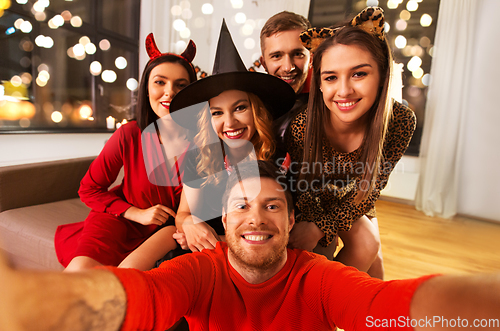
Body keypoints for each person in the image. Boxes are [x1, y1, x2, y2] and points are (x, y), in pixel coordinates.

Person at [1, 160, 499, 331]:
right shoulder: (200, 271)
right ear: (224, 219)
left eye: (272, 206)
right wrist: (35, 303)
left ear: (292, 220)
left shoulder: (317, 276)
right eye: (240, 205)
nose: (255, 217)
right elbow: (142, 300)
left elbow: (385, 309)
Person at [122, 20, 295, 265]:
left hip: (249, 250)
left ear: (257, 111)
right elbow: (183, 214)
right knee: (130, 270)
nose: (230, 122)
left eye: (240, 108)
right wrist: (190, 224)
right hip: (197, 244)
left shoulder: (278, 159)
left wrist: (218, 240)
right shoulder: (202, 153)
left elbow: (279, 230)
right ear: (208, 118)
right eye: (217, 113)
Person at [285, 7, 415, 279]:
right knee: (332, 250)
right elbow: (302, 188)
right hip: (311, 195)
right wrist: (319, 229)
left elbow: (370, 189)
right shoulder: (303, 126)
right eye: (331, 77)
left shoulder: (400, 121)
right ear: (319, 83)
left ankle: (334, 308)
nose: (343, 90)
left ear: (382, 77)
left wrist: (322, 227)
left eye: (359, 74)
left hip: (357, 192)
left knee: (371, 252)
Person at [54, 33, 198, 271]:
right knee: (78, 273)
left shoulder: (203, 141)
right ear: (147, 87)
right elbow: (89, 189)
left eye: (181, 85)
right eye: (160, 82)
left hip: (167, 234)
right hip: (121, 220)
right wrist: (136, 213)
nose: (170, 92)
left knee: (122, 288)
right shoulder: (129, 135)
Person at [259, 11, 312, 148]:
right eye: (277, 56)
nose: (288, 67)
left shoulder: (330, 106)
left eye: (298, 54)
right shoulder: (252, 108)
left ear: (311, 59)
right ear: (264, 63)